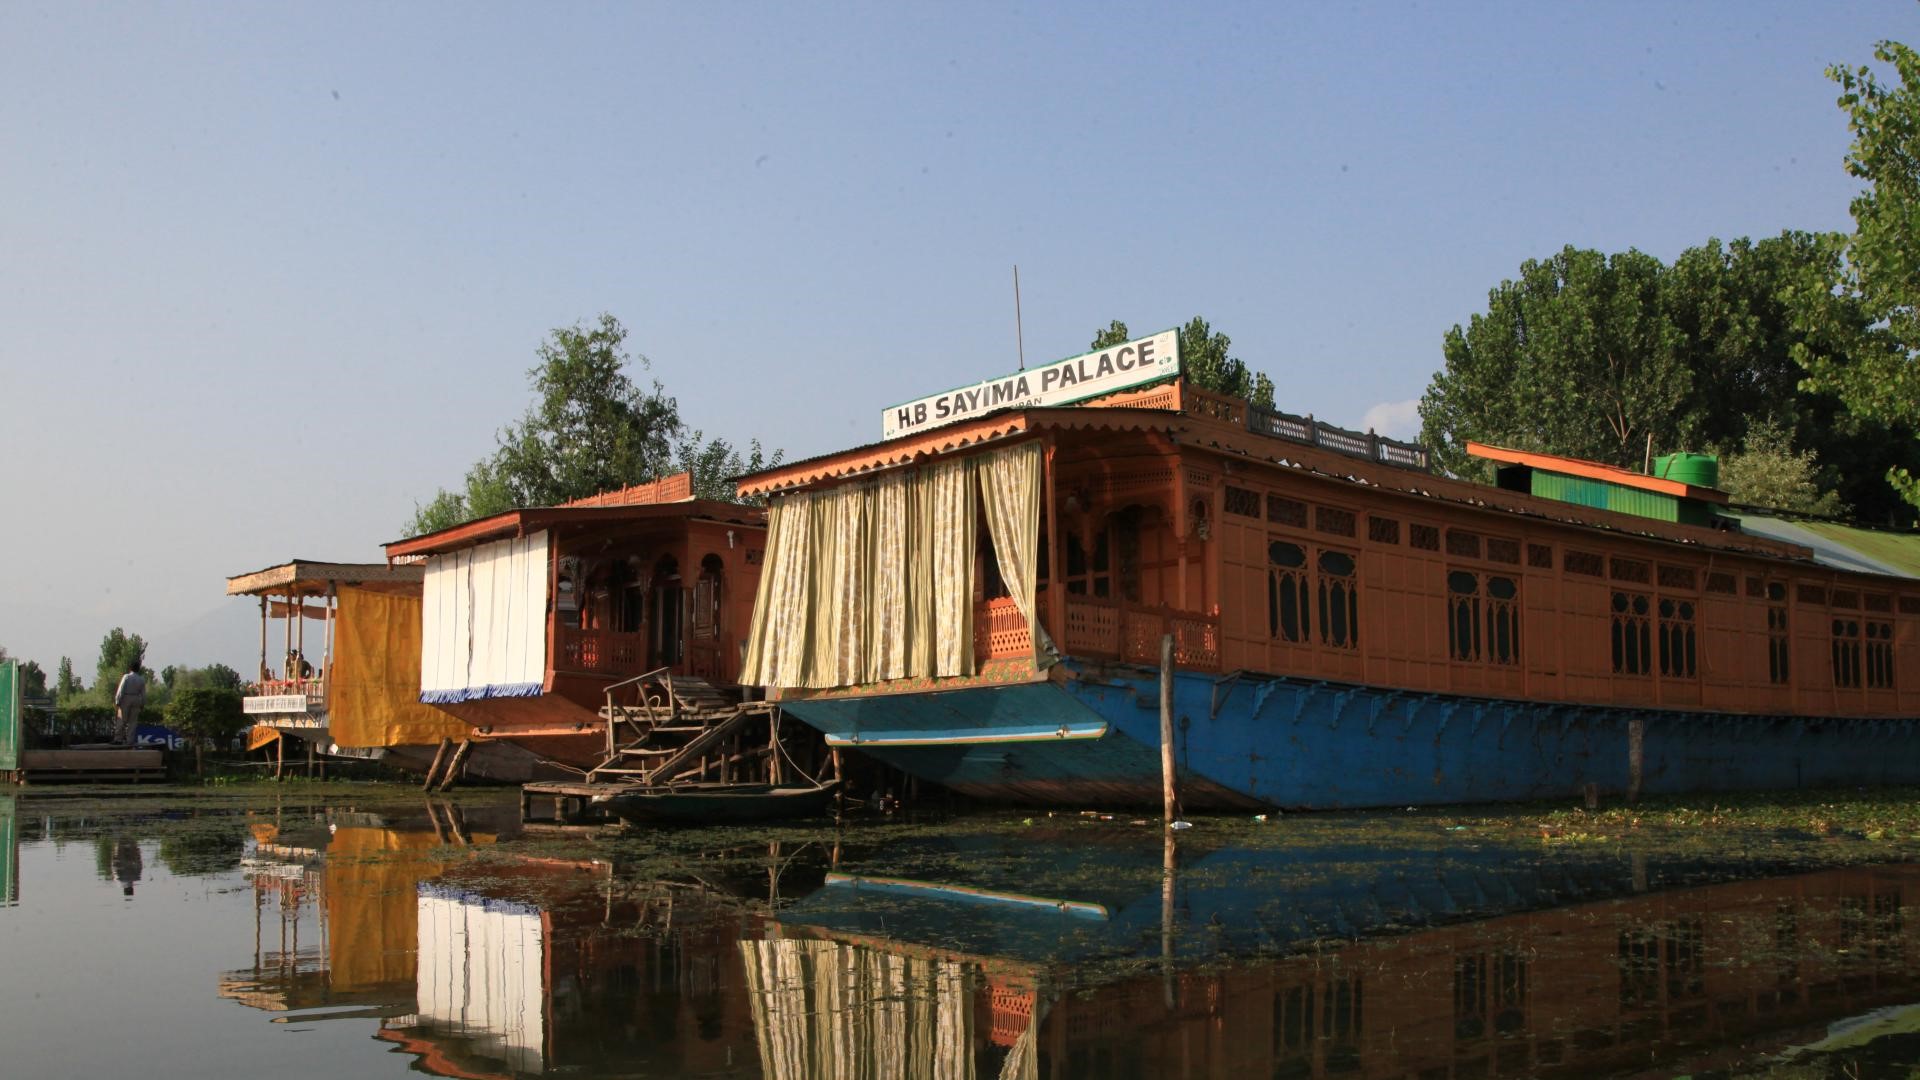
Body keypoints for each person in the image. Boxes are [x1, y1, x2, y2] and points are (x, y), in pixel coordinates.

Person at [112, 663, 147, 746]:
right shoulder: (141, 679)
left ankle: (118, 739)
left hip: (126, 698)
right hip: (136, 698)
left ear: (130, 669)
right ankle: (130, 741)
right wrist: (143, 703)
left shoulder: (126, 676)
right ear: (138, 669)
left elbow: (121, 689)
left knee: (122, 719)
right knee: (133, 721)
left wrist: (117, 701)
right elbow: (143, 693)